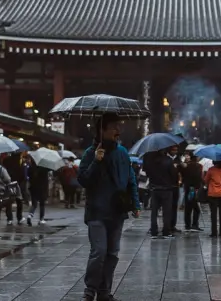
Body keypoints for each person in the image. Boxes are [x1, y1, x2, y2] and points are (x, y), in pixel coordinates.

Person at [78, 114, 140, 301]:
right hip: (97, 211)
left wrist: (135, 203)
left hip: (117, 211)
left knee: (112, 253)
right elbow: (83, 180)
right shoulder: (90, 153)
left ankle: (104, 292)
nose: (118, 131)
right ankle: (90, 290)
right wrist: (96, 162)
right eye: (113, 127)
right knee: (99, 251)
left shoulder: (122, 153)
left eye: (118, 127)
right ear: (101, 130)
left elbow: (131, 179)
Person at [145, 147, 178, 239]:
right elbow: (174, 175)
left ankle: (154, 231)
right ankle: (166, 231)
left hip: (155, 189)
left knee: (154, 211)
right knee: (166, 211)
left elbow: (148, 174)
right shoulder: (168, 161)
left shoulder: (151, 162)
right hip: (167, 189)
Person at [204, 160, 221, 237]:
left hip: (213, 193)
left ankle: (214, 232)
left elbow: (206, 180)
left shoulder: (211, 169)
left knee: (213, 214)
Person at [180, 153, 203, 232]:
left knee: (188, 208)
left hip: (187, 187)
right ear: (196, 158)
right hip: (194, 189)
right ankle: (194, 225)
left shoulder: (186, 165)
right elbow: (199, 177)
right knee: (196, 208)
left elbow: (182, 175)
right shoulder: (198, 166)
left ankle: (187, 225)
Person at [2, 153, 26, 225]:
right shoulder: (19, 163)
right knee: (19, 201)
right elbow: (22, 175)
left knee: (8, 202)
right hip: (17, 184)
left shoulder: (6, 161)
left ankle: (9, 218)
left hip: (8, 183)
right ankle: (19, 218)